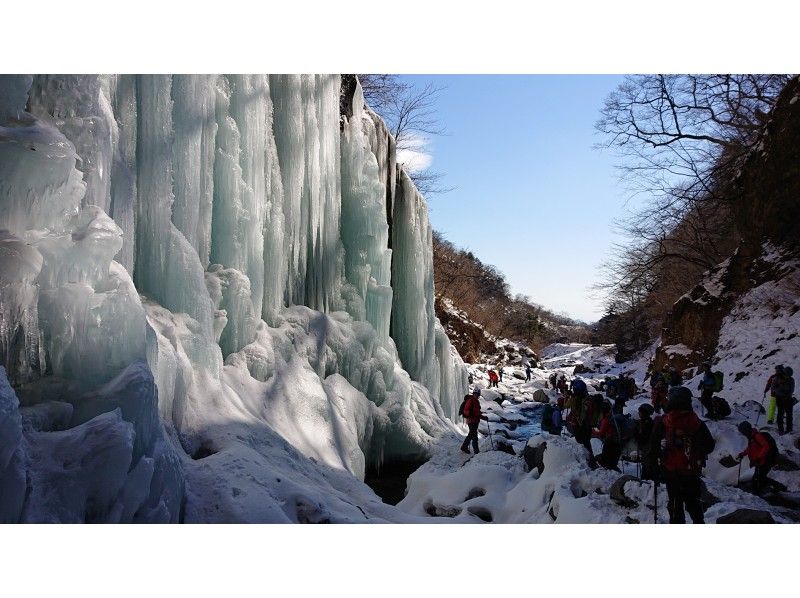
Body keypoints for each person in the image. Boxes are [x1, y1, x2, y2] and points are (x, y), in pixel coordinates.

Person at [650, 386, 715, 524]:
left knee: (675, 505)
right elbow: (710, 445)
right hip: (691, 471)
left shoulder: (664, 421)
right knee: (693, 503)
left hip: (671, 471)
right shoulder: (696, 422)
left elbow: (653, 447)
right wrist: (696, 451)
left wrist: (654, 466)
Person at [736, 421, 778, 494]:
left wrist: (759, 457)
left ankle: (777, 488)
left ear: (746, 430)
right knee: (758, 478)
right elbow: (750, 448)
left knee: (760, 478)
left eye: (743, 431)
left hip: (764, 461)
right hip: (759, 461)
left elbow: (766, 446)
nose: (743, 434)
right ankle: (760, 490)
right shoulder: (751, 437)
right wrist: (742, 454)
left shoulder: (757, 436)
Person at [592, 400, 622, 471]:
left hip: (610, 444)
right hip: (616, 444)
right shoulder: (612, 418)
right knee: (611, 464)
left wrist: (592, 431)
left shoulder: (605, 420)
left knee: (607, 463)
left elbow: (600, 433)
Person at [460, 388, 488, 454]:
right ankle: (476, 451)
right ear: (473, 394)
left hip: (475, 421)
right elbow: (466, 410)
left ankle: (465, 447)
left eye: (477, 394)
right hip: (471, 421)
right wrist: (470, 413)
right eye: (475, 394)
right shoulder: (470, 400)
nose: (476, 395)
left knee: (471, 435)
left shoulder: (476, 402)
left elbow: (477, 413)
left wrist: (484, 417)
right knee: (473, 436)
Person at [634, 403, 657, 480]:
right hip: (647, 450)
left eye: (640, 412)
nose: (639, 413)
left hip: (648, 450)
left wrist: (636, 434)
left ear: (645, 413)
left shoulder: (648, 424)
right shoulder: (644, 422)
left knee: (647, 468)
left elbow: (644, 438)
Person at [773, 365, 795, 435]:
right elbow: (774, 388)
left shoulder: (791, 380)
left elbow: (792, 390)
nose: (787, 377)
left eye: (789, 376)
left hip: (788, 399)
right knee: (780, 415)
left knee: (789, 415)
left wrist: (788, 395)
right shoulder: (777, 378)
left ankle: (789, 429)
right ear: (784, 373)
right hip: (780, 399)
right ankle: (781, 430)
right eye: (786, 375)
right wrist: (782, 393)